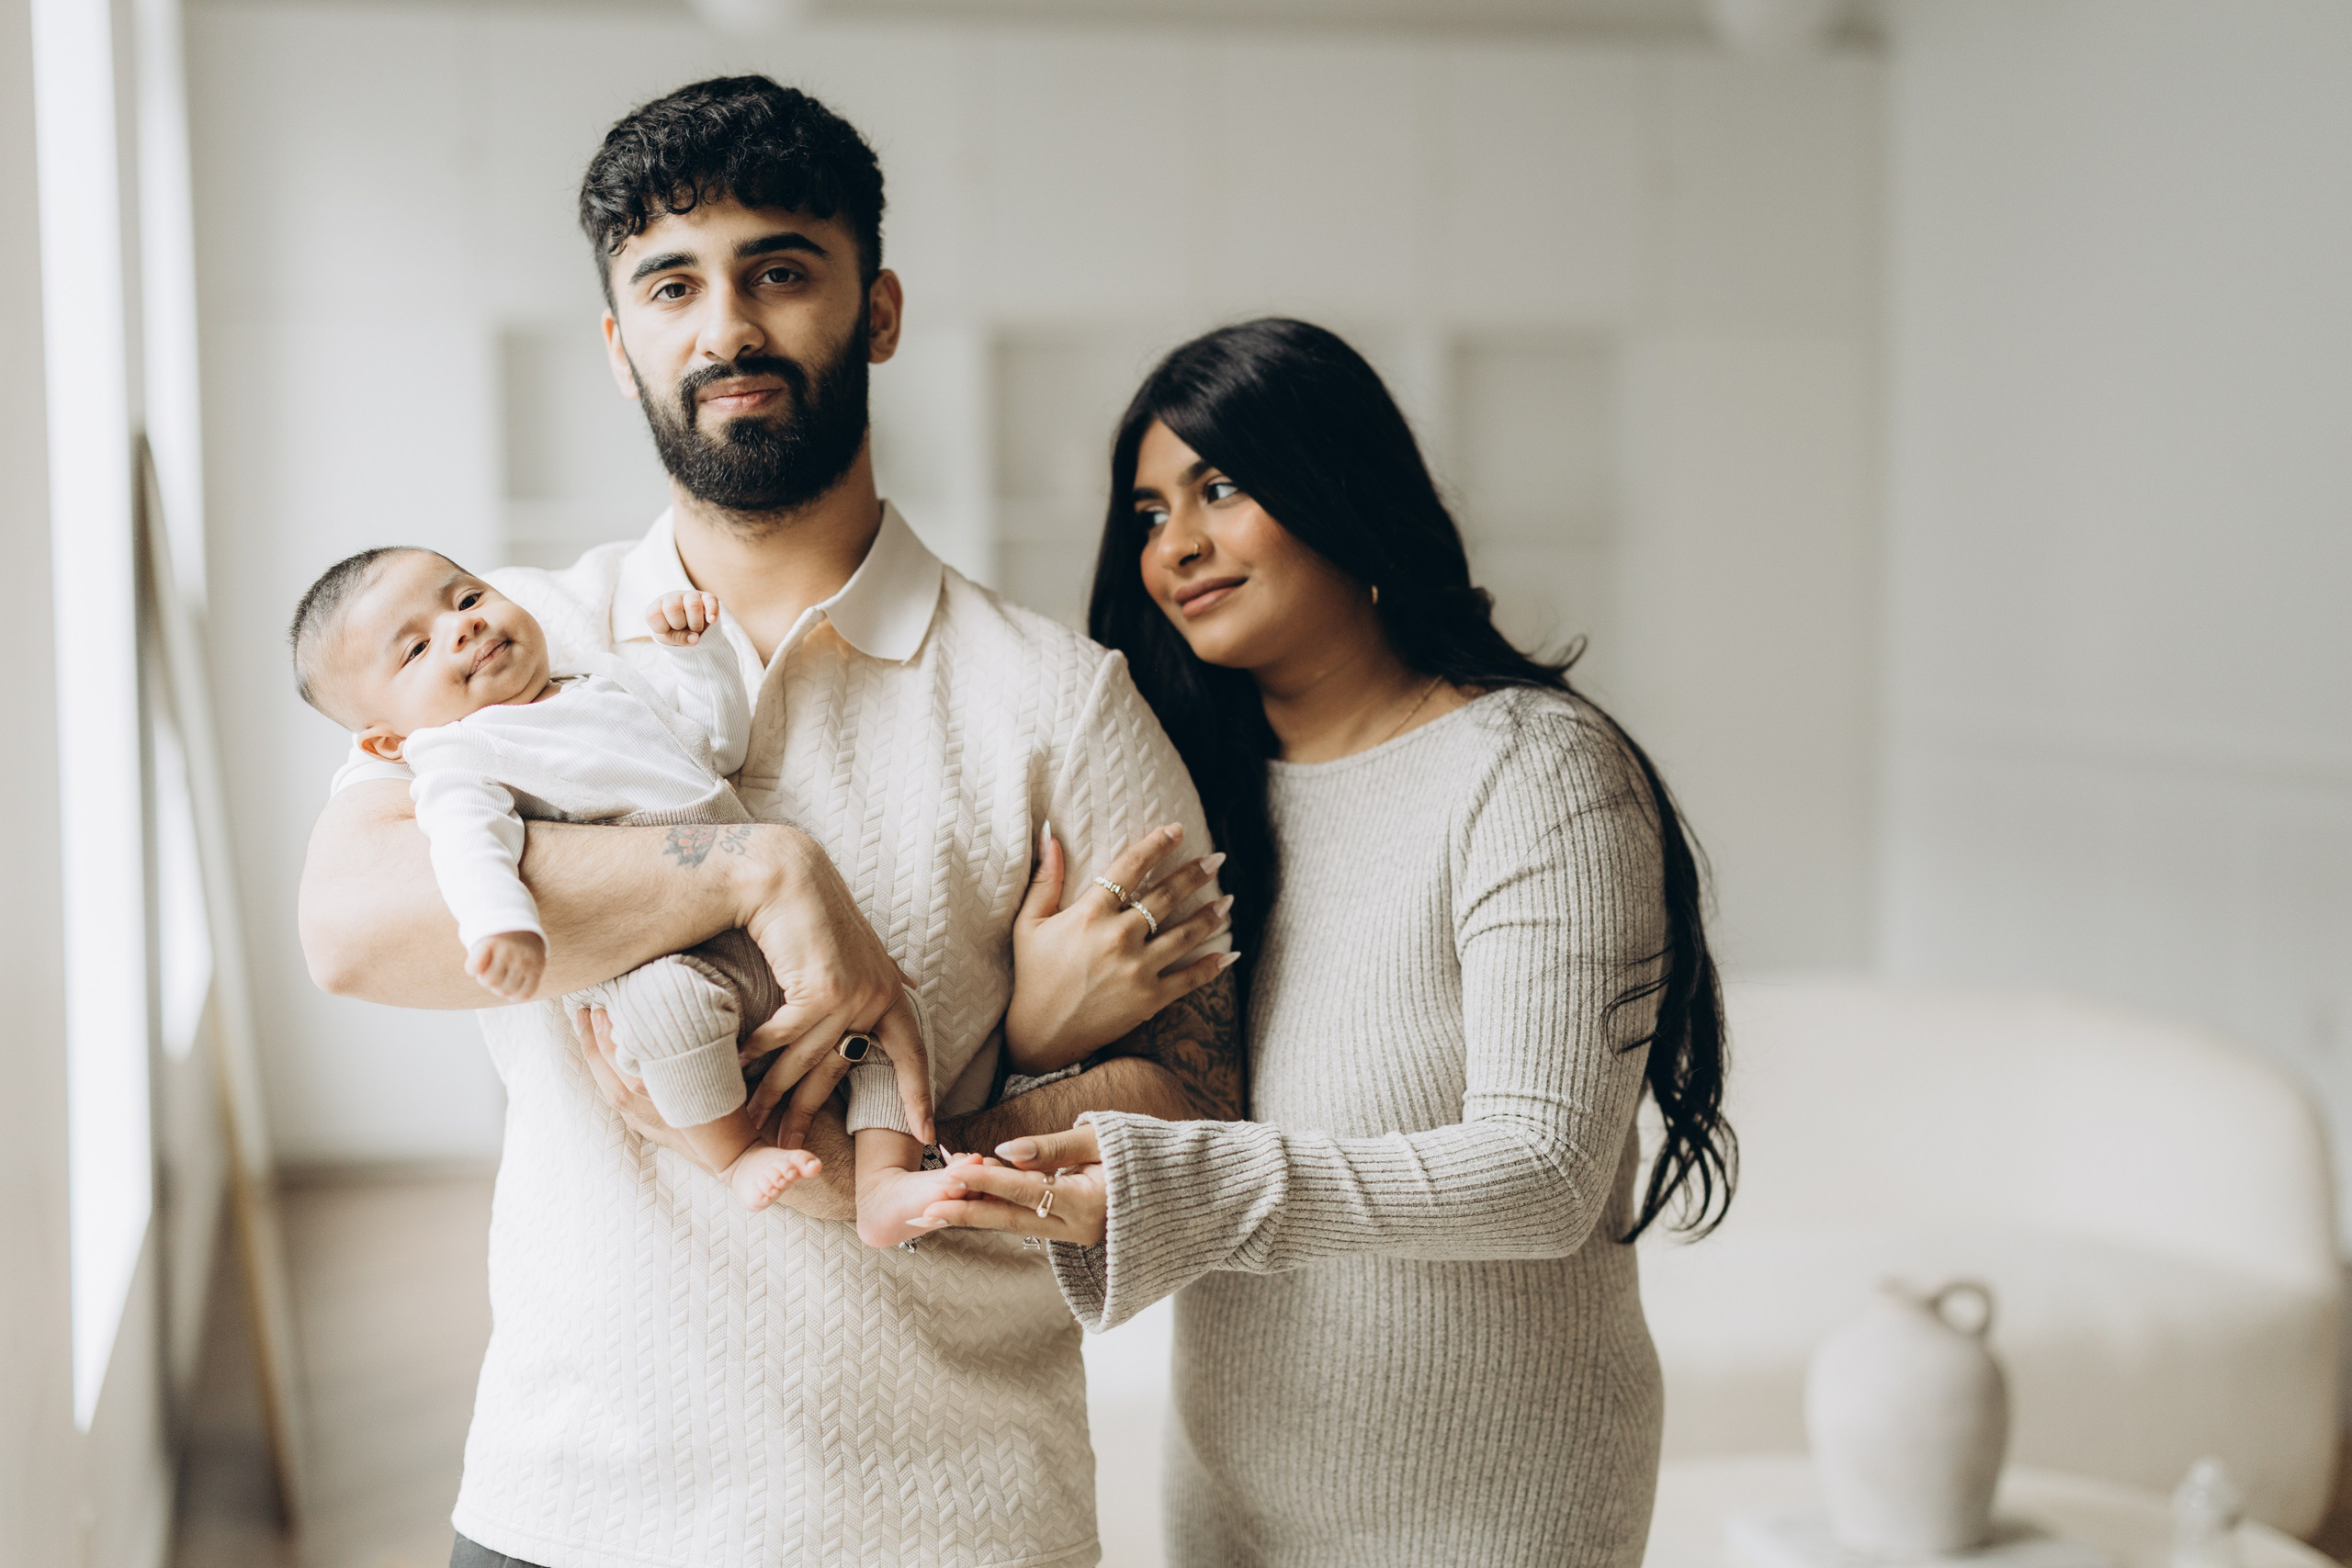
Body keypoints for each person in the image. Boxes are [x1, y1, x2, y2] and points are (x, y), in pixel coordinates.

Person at [296, 77, 1240, 1568]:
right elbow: (351, 930)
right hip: (568, 1510)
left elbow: (1199, 1105)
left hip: (950, 1529)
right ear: (620, 347)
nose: (725, 327)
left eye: (779, 271)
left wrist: (917, 1152)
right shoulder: (505, 642)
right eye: (672, 285)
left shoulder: (1059, 702)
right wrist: (752, 865)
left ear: (878, 311)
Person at [923, 318, 1738, 1568]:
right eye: (1147, 513)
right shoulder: (1193, 805)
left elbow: (1542, 1174)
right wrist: (1039, 1027)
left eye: (1220, 488)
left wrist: (1191, 1190)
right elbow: (1163, 1104)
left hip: (1494, 1512)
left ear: (1340, 485)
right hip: (1229, 1494)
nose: (1176, 546)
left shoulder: (1533, 772)